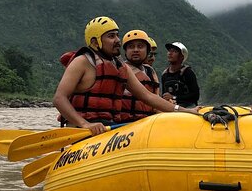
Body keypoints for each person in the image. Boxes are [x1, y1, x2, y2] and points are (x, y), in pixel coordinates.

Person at [53, 17, 198, 135]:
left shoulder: (120, 66)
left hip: (109, 129)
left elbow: (148, 97)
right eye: (111, 36)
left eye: (117, 35)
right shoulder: (82, 61)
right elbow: (59, 98)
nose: (117, 40)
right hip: (82, 130)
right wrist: (85, 124)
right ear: (94, 41)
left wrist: (186, 112)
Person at [118, 29, 160, 122]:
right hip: (123, 124)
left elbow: (156, 101)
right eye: (131, 47)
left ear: (147, 50)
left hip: (147, 123)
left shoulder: (150, 71)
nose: (135, 50)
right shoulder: (118, 69)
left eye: (140, 46)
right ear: (126, 51)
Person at [161, 41, 200, 108]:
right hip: (171, 107)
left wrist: (174, 97)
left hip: (188, 107)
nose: (170, 53)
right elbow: (164, 95)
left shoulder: (187, 72)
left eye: (174, 51)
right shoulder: (165, 74)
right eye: (169, 51)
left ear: (182, 56)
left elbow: (195, 95)